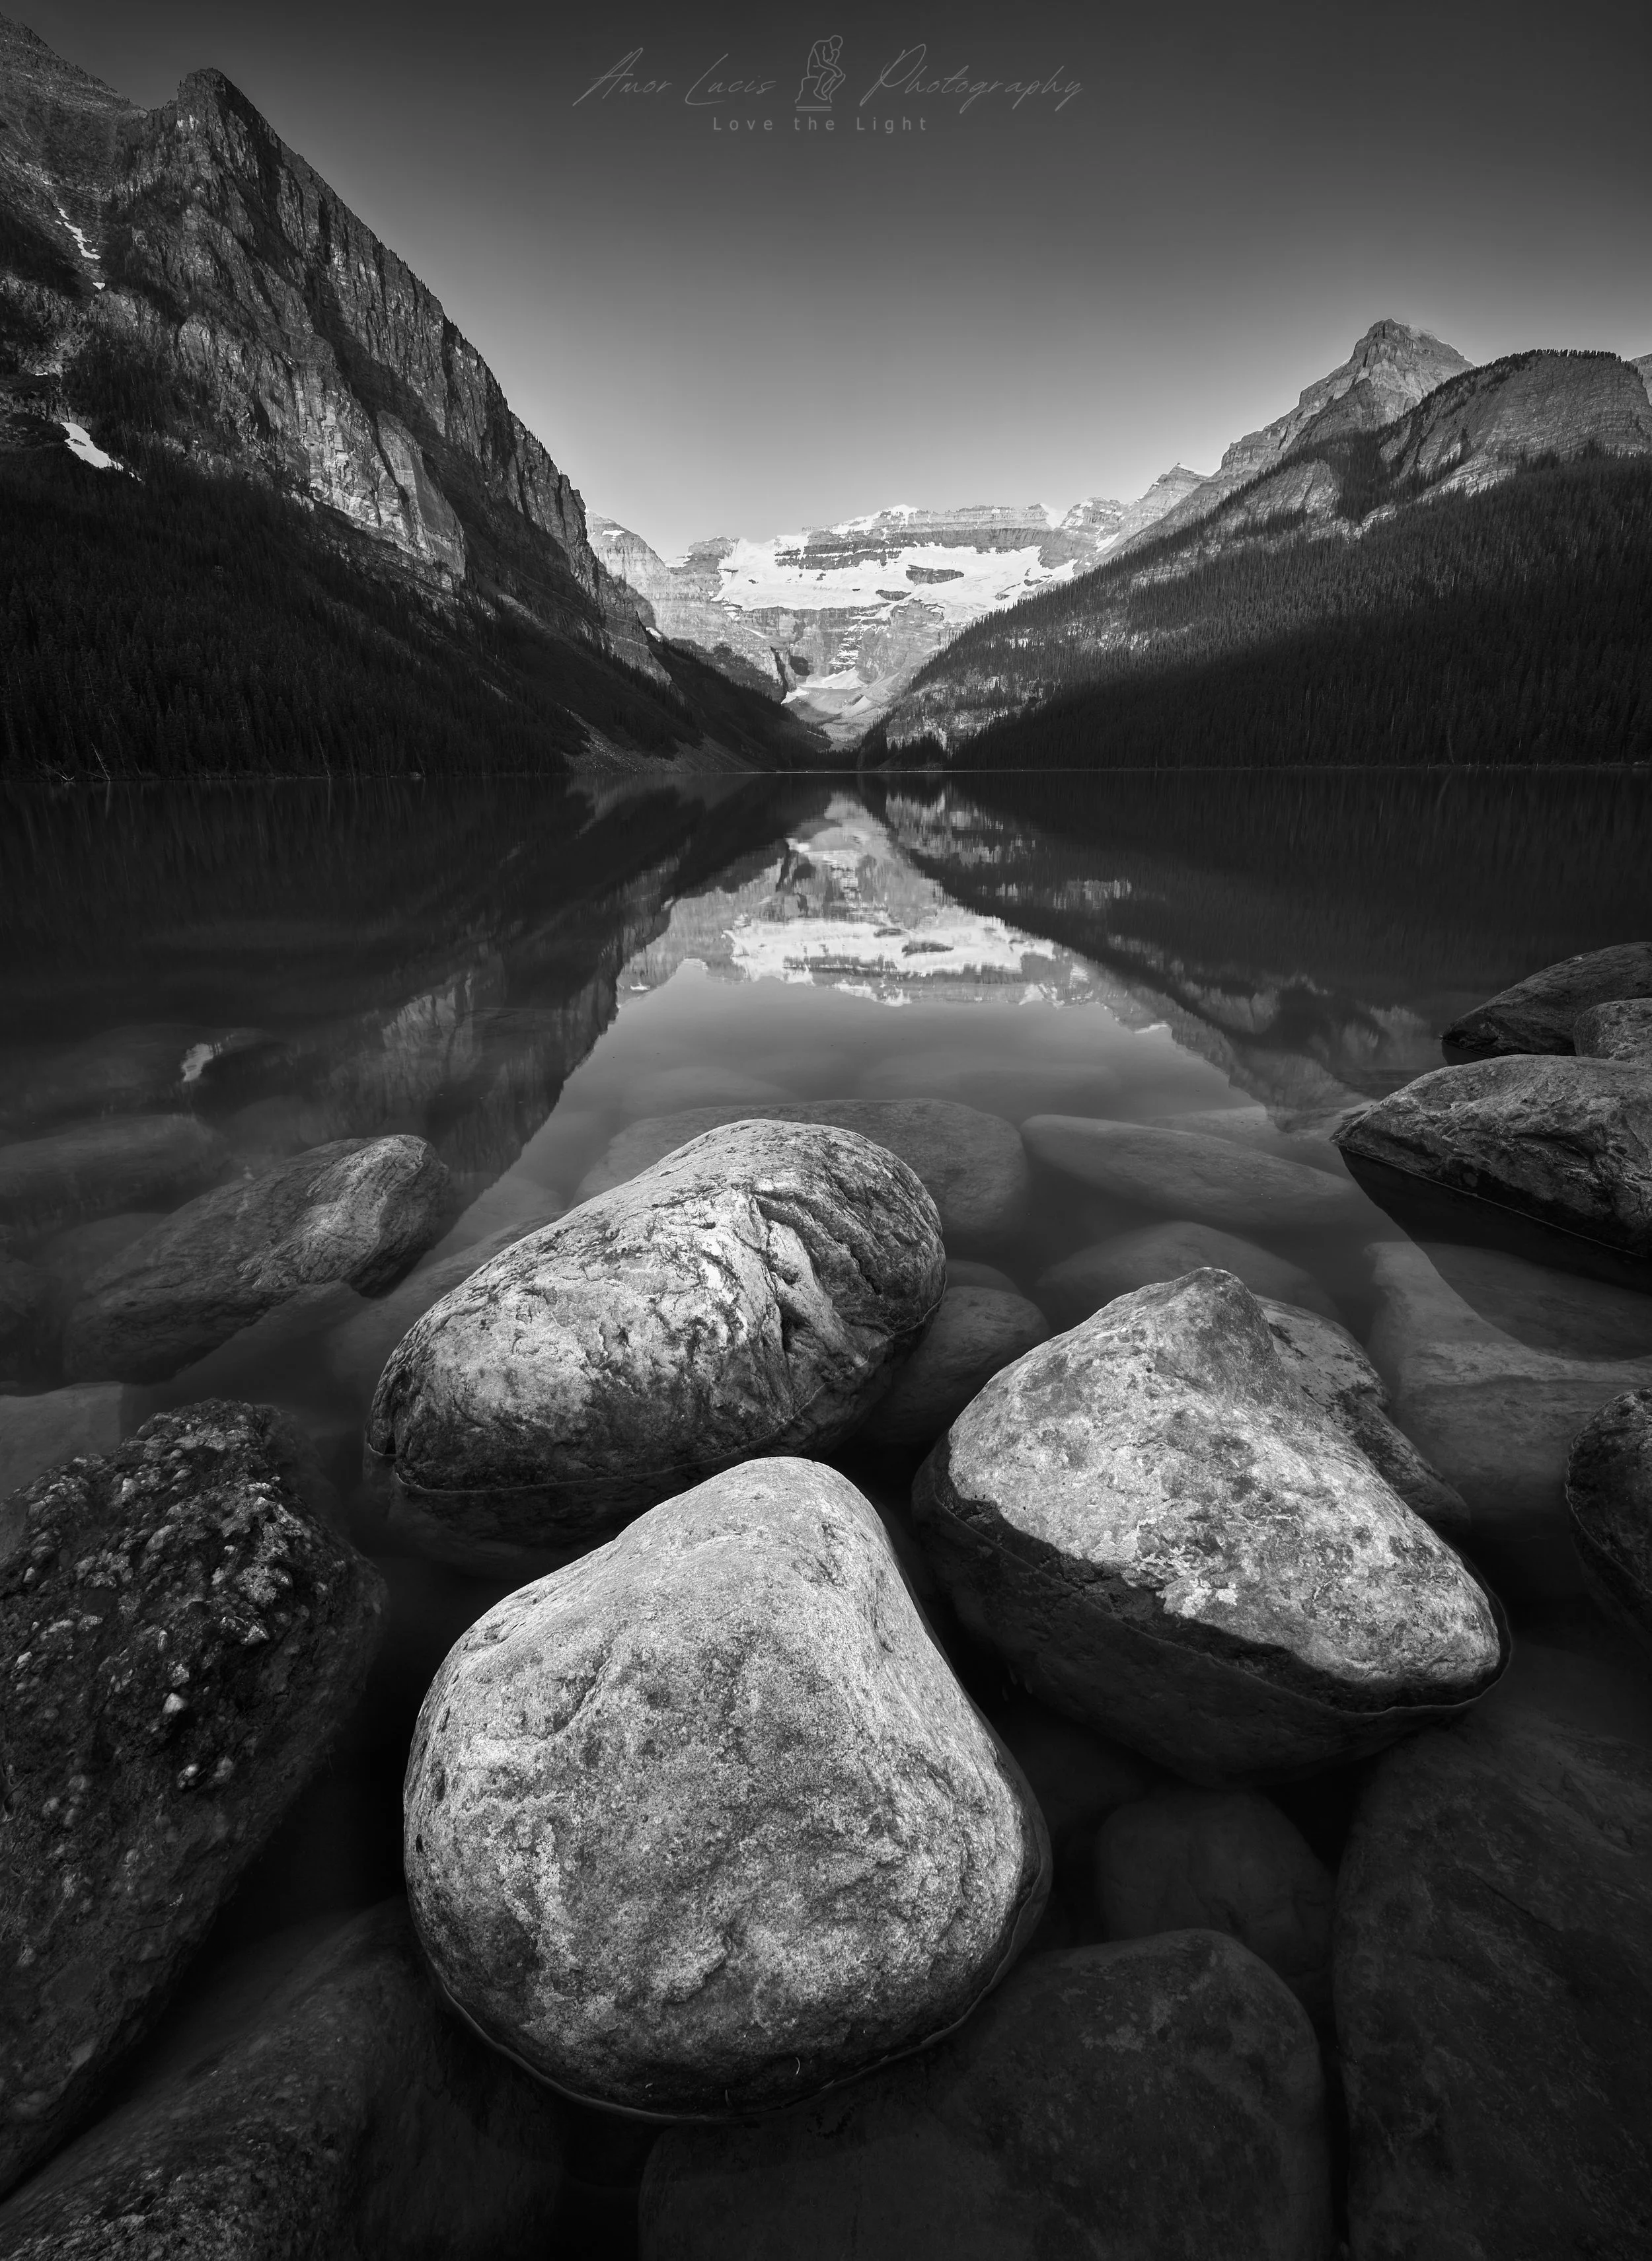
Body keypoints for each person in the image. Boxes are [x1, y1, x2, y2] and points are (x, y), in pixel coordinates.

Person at [796, 34, 846, 108]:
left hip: (824, 69)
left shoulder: (831, 51)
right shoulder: (820, 45)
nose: (837, 48)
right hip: (815, 69)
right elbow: (821, 62)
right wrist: (835, 69)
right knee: (832, 71)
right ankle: (818, 90)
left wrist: (835, 56)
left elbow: (831, 64)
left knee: (841, 75)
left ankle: (827, 93)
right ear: (833, 41)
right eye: (837, 46)